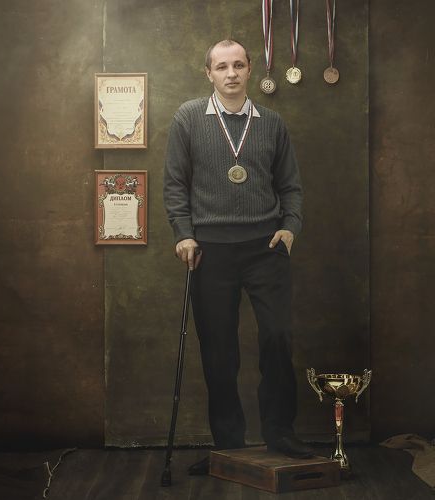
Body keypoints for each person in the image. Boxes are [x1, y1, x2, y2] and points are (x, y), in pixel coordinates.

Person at [163, 39, 312, 476]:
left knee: (277, 338)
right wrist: (184, 235)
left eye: (238, 65)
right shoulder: (188, 117)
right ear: (208, 73)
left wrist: (290, 227)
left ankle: (280, 433)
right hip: (209, 250)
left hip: (266, 246)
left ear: (250, 70)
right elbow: (175, 184)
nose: (231, 73)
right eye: (222, 67)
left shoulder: (272, 122)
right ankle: (228, 446)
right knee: (219, 351)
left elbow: (291, 186)